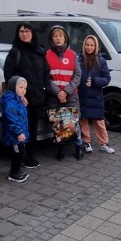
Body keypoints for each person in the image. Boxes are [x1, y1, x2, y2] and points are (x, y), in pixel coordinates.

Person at [3, 22, 49, 167]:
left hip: (37, 97)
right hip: (22, 99)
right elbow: (9, 75)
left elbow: (46, 73)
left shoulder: (40, 50)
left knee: (32, 128)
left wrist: (45, 89)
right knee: (21, 128)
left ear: (32, 33)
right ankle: (21, 157)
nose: (24, 33)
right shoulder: (15, 52)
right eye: (21, 31)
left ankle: (30, 155)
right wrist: (20, 95)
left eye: (27, 31)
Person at [45, 25, 84, 161]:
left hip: (70, 95)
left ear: (65, 38)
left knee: (72, 124)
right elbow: (46, 77)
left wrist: (66, 92)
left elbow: (77, 75)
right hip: (54, 96)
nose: (58, 38)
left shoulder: (72, 54)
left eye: (60, 35)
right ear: (52, 38)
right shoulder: (47, 55)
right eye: (55, 36)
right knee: (57, 125)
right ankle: (60, 148)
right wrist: (58, 92)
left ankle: (79, 146)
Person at [78, 35, 114, 154]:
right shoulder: (79, 60)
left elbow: (107, 78)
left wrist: (94, 81)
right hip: (82, 95)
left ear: (96, 47)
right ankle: (86, 141)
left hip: (96, 96)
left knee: (99, 120)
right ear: (84, 46)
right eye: (87, 45)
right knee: (83, 119)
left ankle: (104, 143)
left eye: (91, 45)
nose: (89, 47)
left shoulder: (101, 61)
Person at [1, 76, 30, 183]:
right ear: (13, 87)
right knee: (18, 154)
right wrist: (19, 132)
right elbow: (12, 120)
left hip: (19, 134)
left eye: (25, 88)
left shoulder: (17, 100)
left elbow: (21, 117)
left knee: (21, 153)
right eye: (21, 87)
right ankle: (14, 173)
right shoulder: (10, 103)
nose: (23, 90)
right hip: (14, 136)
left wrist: (23, 102)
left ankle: (17, 171)